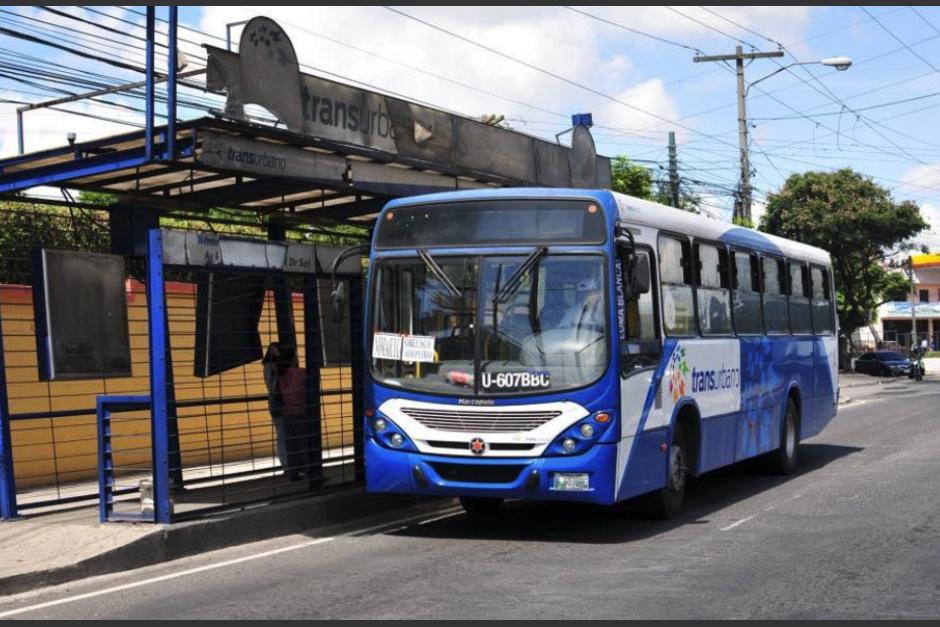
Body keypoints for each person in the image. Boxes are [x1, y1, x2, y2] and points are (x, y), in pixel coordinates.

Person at [275, 345, 312, 481]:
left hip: (287, 413)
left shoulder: (280, 375)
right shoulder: (301, 373)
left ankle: (293, 473)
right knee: (305, 443)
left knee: (292, 445)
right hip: (301, 412)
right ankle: (311, 471)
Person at [261, 342, 291, 477]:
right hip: (278, 401)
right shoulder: (269, 367)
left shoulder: (283, 366)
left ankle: (290, 464)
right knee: (282, 435)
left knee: (287, 434)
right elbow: (271, 386)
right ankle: (286, 465)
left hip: (286, 401)